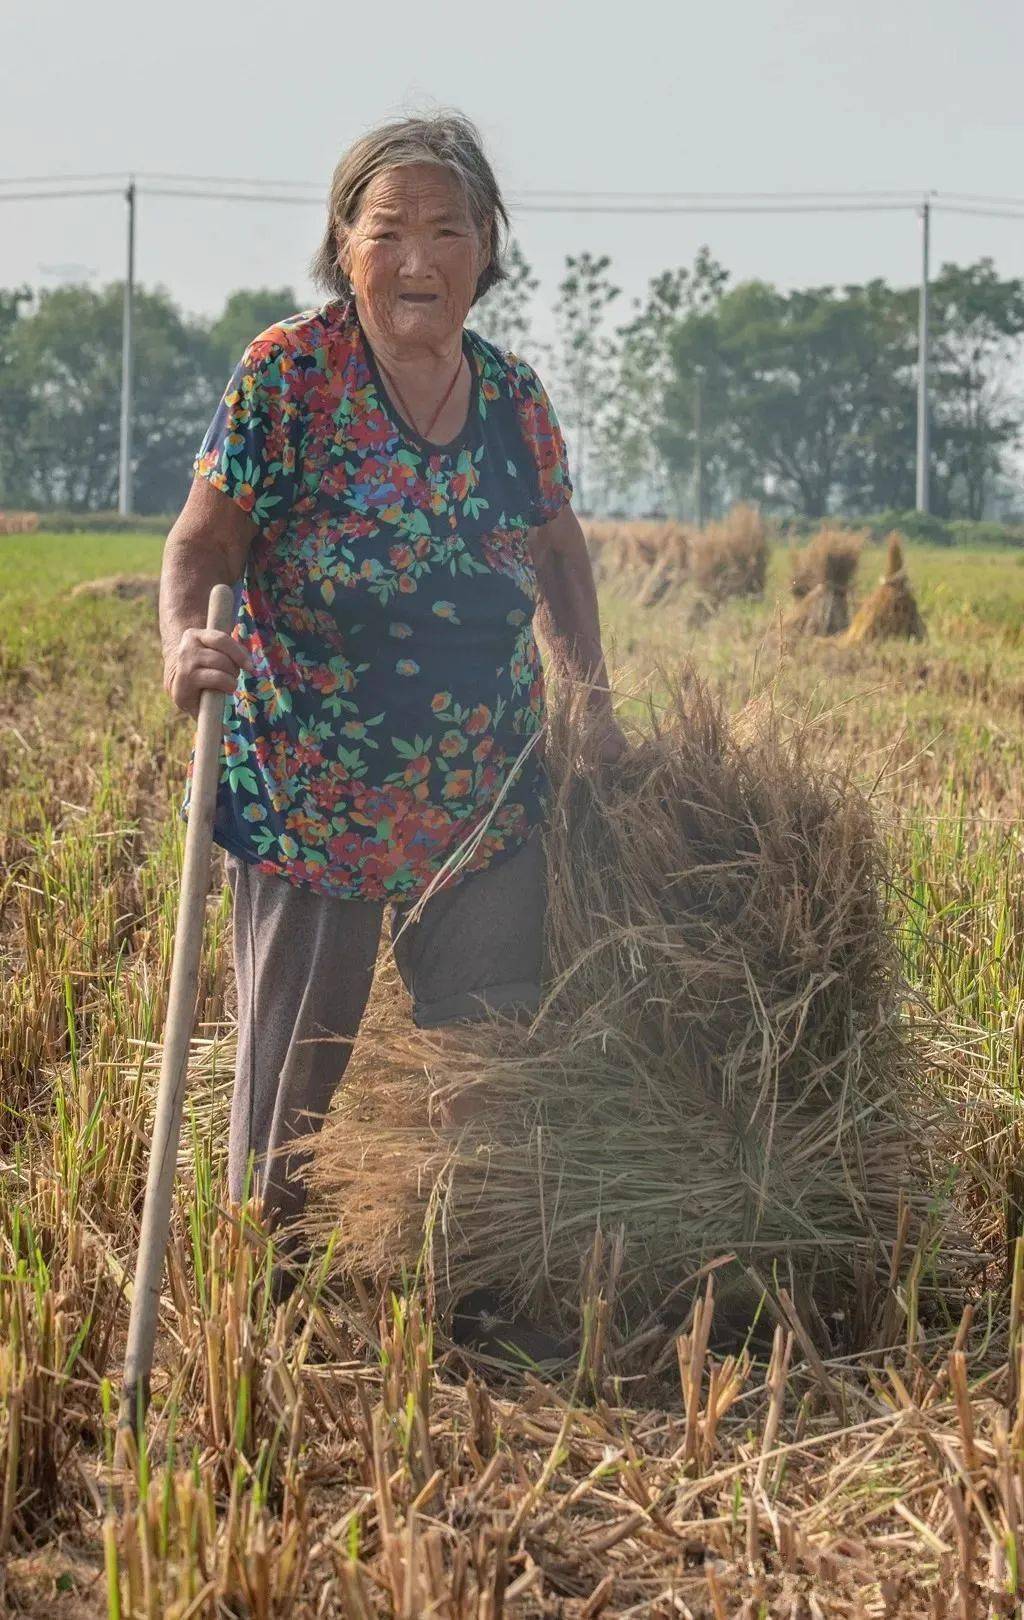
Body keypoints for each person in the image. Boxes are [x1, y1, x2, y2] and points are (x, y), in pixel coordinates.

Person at [159, 111, 626, 1305]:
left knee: (489, 1055)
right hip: (313, 784)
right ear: (343, 244)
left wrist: (592, 700)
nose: (418, 258)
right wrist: (182, 643)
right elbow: (202, 544)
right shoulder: (290, 376)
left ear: (487, 247)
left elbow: (557, 553)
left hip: (481, 785)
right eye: (388, 229)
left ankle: (476, 1286)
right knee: (291, 1077)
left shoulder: (513, 399)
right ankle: (260, 1288)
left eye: (447, 229)